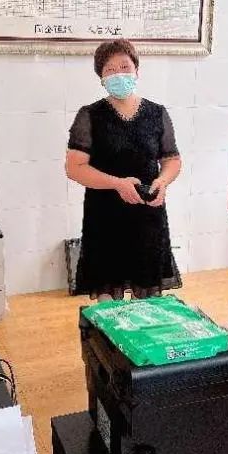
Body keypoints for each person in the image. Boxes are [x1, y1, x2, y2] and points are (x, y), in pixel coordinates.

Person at [65, 39, 182, 301]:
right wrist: (117, 183)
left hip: (148, 216)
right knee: (109, 305)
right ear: (101, 78)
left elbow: (172, 159)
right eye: (110, 69)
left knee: (149, 303)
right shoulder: (89, 115)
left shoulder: (157, 113)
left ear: (136, 71)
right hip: (105, 218)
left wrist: (163, 181)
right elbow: (74, 168)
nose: (119, 74)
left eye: (125, 67)